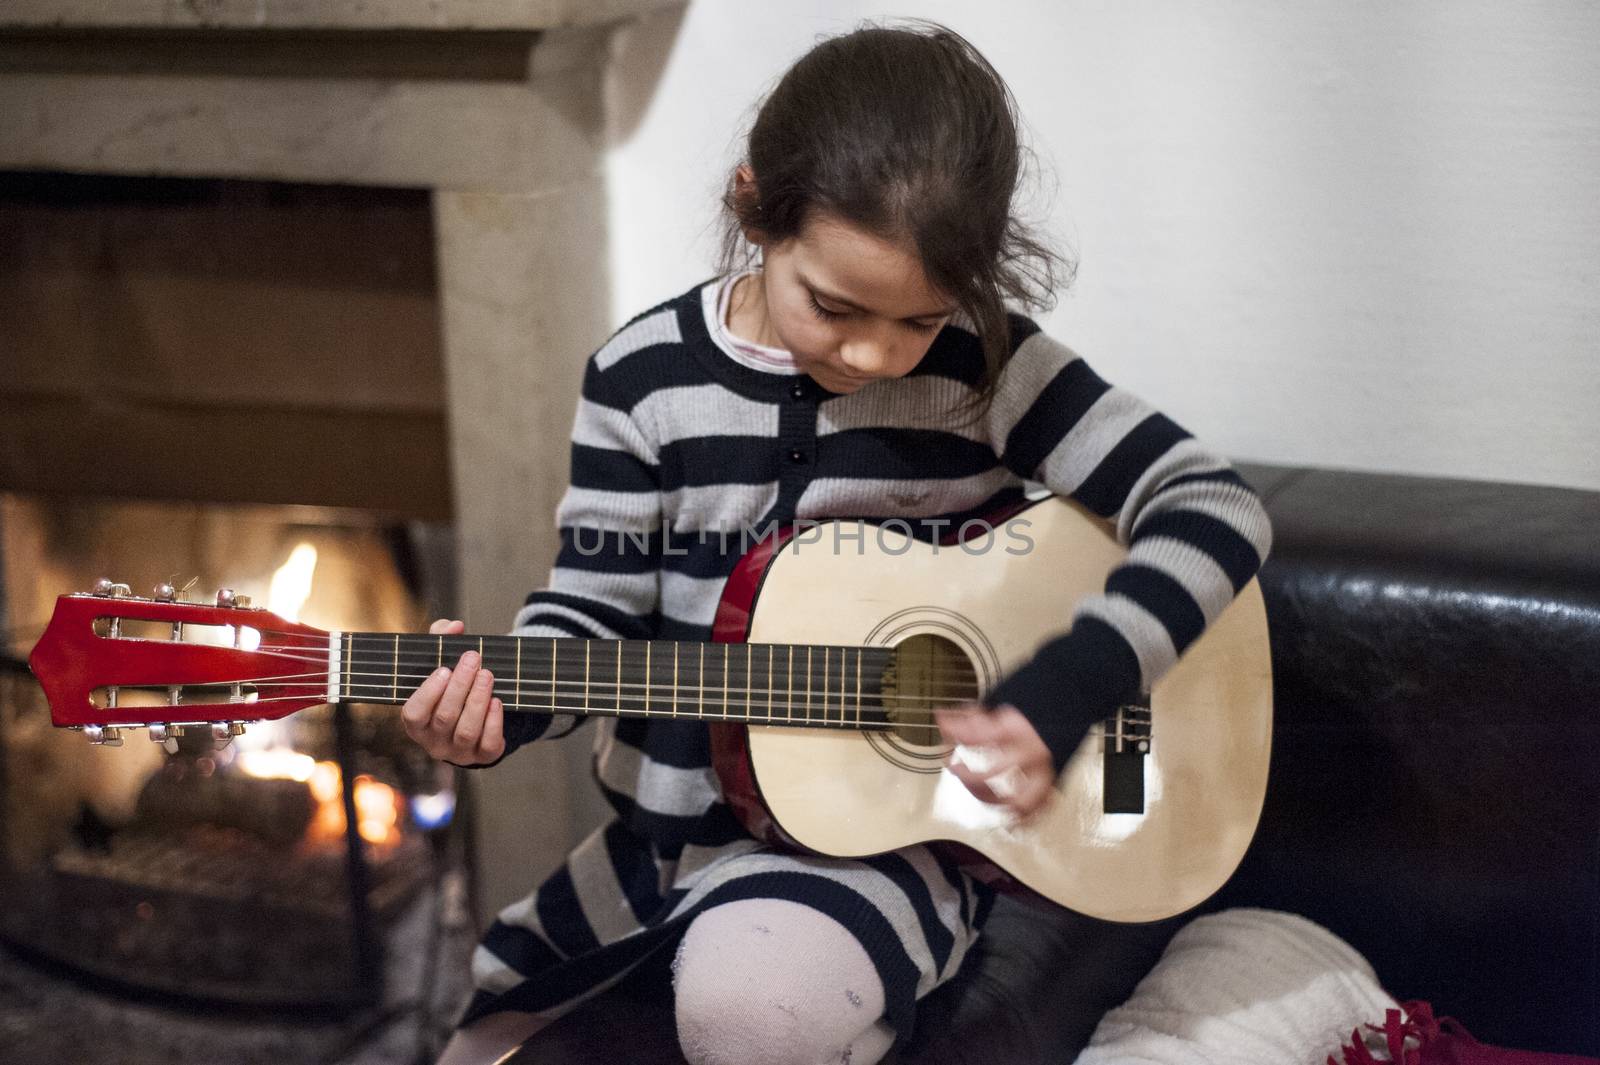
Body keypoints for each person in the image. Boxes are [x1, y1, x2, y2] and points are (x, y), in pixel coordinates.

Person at [407, 20, 1272, 1065]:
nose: (874, 353)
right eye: (834, 305)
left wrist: (1065, 691)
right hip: (665, 845)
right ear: (750, 208)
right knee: (485, 1032)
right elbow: (591, 610)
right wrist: (496, 707)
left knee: (753, 1011)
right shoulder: (640, 382)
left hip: (881, 847)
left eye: (917, 320)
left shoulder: (985, 368)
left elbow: (1212, 507)